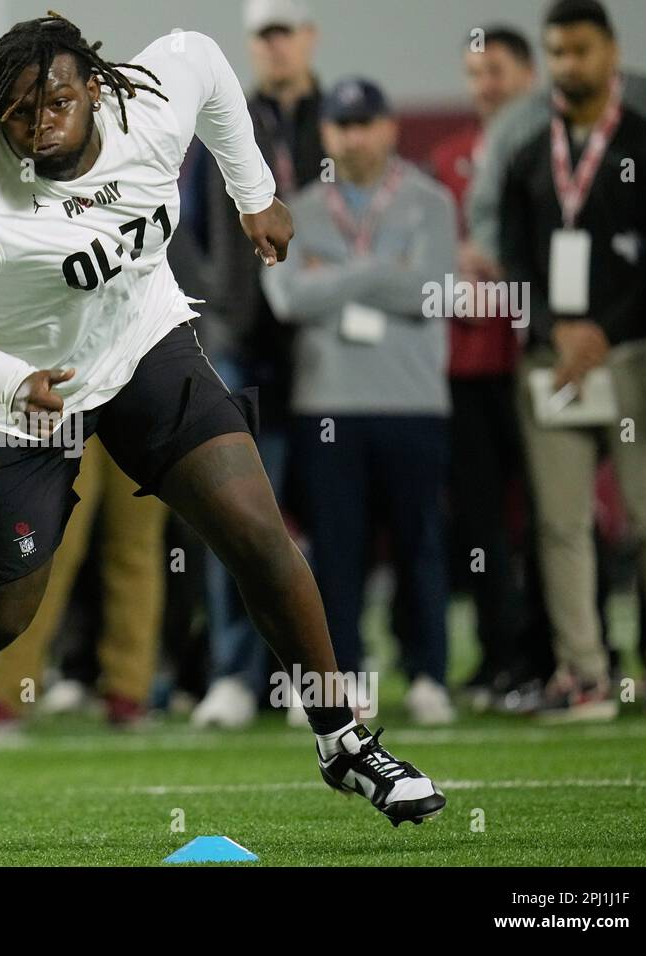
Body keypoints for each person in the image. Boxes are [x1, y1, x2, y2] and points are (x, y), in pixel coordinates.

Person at [0, 14, 445, 843]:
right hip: (21, 396)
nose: (40, 125)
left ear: (95, 88)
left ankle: (342, 736)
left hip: (140, 346)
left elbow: (204, 60)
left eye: (57, 101)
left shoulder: (147, 108)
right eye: (20, 112)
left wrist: (255, 194)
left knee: (257, 529)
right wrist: (7, 379)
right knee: (0, 617)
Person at [497, 0, 646, 718]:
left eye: (579, 51)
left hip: (641, 356)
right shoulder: (526, 155)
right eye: (557, 53)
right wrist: (554, 328)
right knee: (562, 521)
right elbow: (514, 262)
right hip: (552, 361)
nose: (568, 66)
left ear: (609, 52)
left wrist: (600, 330)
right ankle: (584, 671)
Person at [263, 78, 458, 725]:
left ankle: (429, 673)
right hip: (329, 403)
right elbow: (289, 297)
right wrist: (386, 267)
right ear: (326, 134)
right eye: (342, 125)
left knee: (418, 544)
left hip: (413, 401)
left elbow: (434, 292)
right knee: (334, 549)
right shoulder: (299, 207)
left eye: (365, 123)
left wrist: (338, 274)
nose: (354, 136)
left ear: (389, 127)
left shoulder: (430, 200)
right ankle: (337, 678)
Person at [182, 0, 325, 729]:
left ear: (309, 38)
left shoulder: (339, 117)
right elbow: (187, 228)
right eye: (263, 36)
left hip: (327, 349)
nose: (274, 47)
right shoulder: (223, 121)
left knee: (331, 514)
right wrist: (221, 313)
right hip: (242, 344)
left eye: (285, 33)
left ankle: (322, 683)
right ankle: (236, 676)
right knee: (234, 513)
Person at [427, 27, 547, 707]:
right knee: (479, 523)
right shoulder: (448, 159)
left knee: (549, 517)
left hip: (537, 359)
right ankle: (500, 654)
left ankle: (548, 654)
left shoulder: (550, 151)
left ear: (528, 74)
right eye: (475, 73)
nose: (486, 85)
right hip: (467, 365)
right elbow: (427, 268)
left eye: (497, 70)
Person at [0, 438, 167, 734]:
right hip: (72, 403)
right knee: (51, 546)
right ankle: (10, 690)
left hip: (142, 397)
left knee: (136, 547)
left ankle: (130, 690)